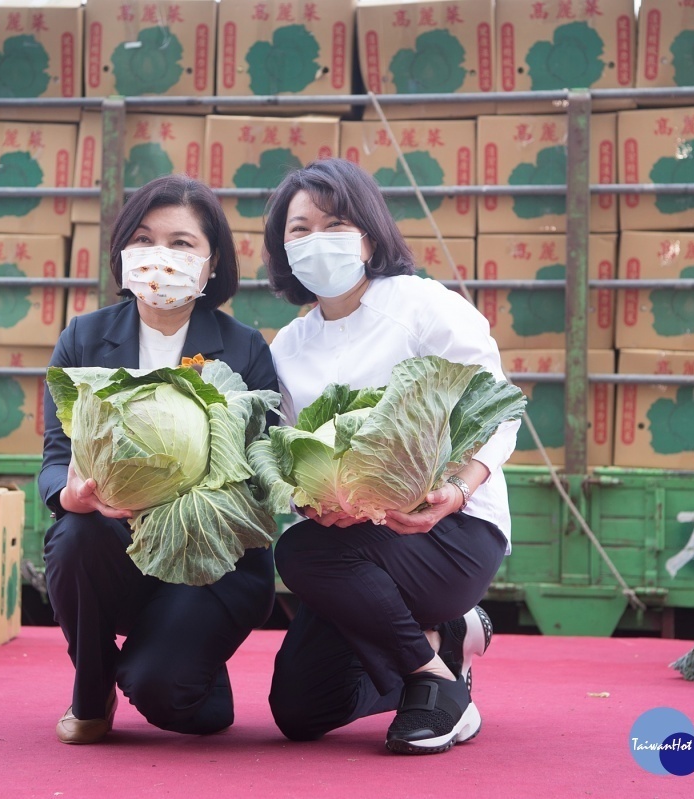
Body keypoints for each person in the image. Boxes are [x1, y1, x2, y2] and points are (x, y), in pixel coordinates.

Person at [261, 158, 518, 755]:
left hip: (449, 530)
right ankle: (443, 640)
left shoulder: (425, 308)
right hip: (350, 547)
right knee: (300, 711)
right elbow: (288, 453)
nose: (315, 240)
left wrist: (457, 486)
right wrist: (309, 501)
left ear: (369, 235)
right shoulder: (291, 345)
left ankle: (437, 682)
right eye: (298, 229)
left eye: (334, 223)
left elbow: (499, 408)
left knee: (299, 552)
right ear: (281, 247)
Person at [38, 175, 279, 745]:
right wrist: (70, 494)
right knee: (76, 535)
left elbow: (261, 473)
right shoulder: (84, 338)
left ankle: (177, 657)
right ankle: (90, 690)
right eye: (144, 240)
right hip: (116, 547)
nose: (160, 258)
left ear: (212, 262)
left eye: (181, 244)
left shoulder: (245, 348)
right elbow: (54, 458)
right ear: (123, 252)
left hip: (213, 557)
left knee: (174, 699)